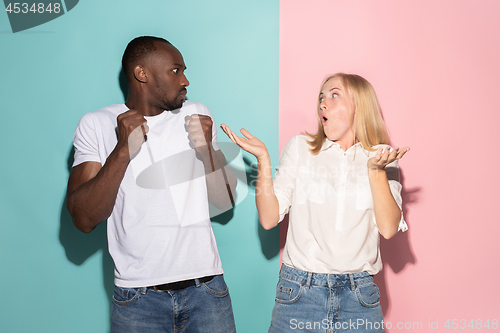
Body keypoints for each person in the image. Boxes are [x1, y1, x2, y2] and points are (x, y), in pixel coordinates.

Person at [67, 36, 237, 333]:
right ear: (141, 73)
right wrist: (122, 151)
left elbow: (225, 203)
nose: (185, 80)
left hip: (207, 290)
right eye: (175, 70)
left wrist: (207, 150)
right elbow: (83, 218)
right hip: (138, 299)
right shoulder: (97, 123)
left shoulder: (197, 113)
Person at [221, 73, 409, 333]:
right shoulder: (301, 148)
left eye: (334, 95)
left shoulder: (382, 156)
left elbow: (388, 228)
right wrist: (264, 159)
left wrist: (376, 171)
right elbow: (268, 218)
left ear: (360, 105)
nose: (323, 103)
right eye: (321, 97)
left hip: (359, 298)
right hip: (299, 293)